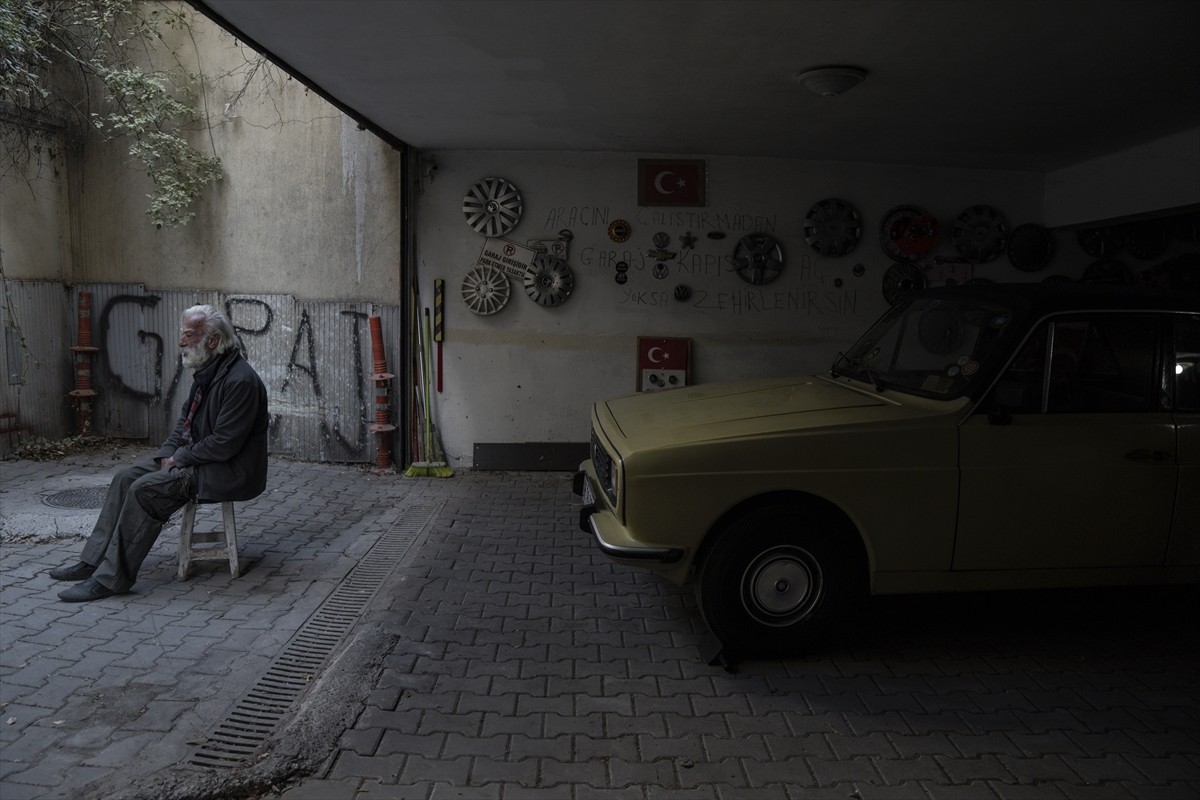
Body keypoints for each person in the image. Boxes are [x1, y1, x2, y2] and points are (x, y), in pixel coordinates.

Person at [49, 304, 269, 602]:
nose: (181, 342)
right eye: (183, 334)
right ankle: (93, 560)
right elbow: (183, 424)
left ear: (213, 340)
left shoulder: (239, 381)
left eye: (189, 335)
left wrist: (179, 458)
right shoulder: (209, 371)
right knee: (126, 477)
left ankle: (113, 579)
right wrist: (167, 454)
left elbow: (224, 444)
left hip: (230, 471)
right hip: (202, 461)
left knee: (144, 490)